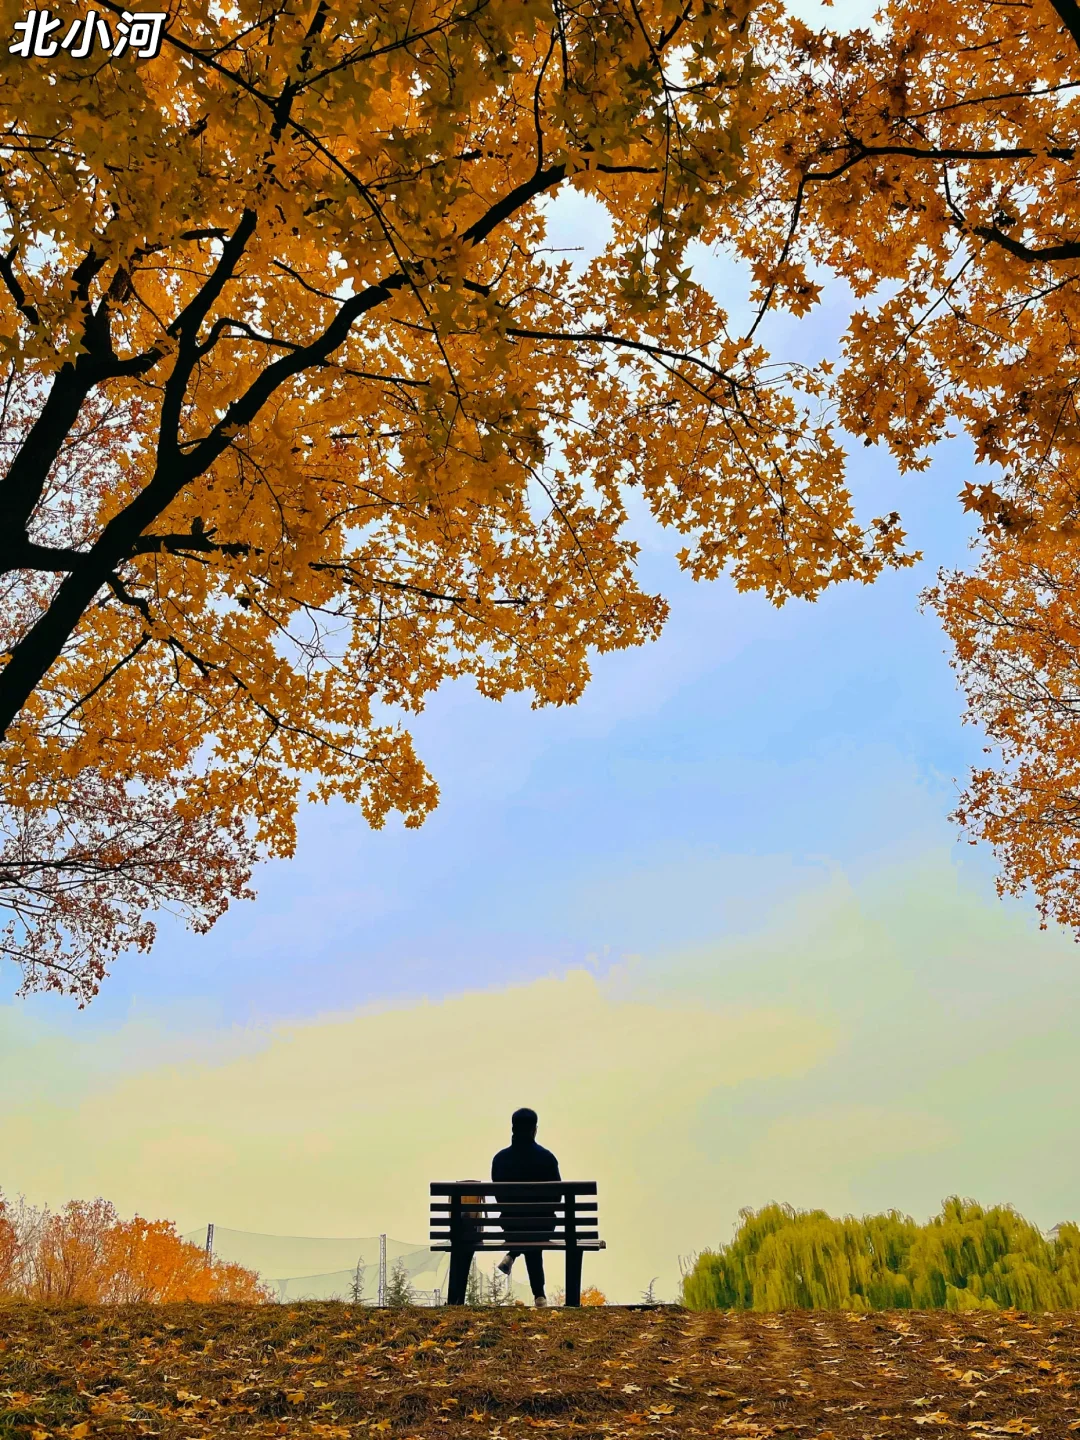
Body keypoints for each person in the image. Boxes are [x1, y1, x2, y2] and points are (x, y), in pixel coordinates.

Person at [491, 1107, 561, 1307]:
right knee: (533, 1237)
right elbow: (557, 1196)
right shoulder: (547, 1158)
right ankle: (539, 1295)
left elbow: (499, 1196)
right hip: (543, 1227)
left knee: (525, 1230)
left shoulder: (500, 1159)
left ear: (513, 1128)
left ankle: (513, 1253)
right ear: (534, 1130)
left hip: (511, 1227)